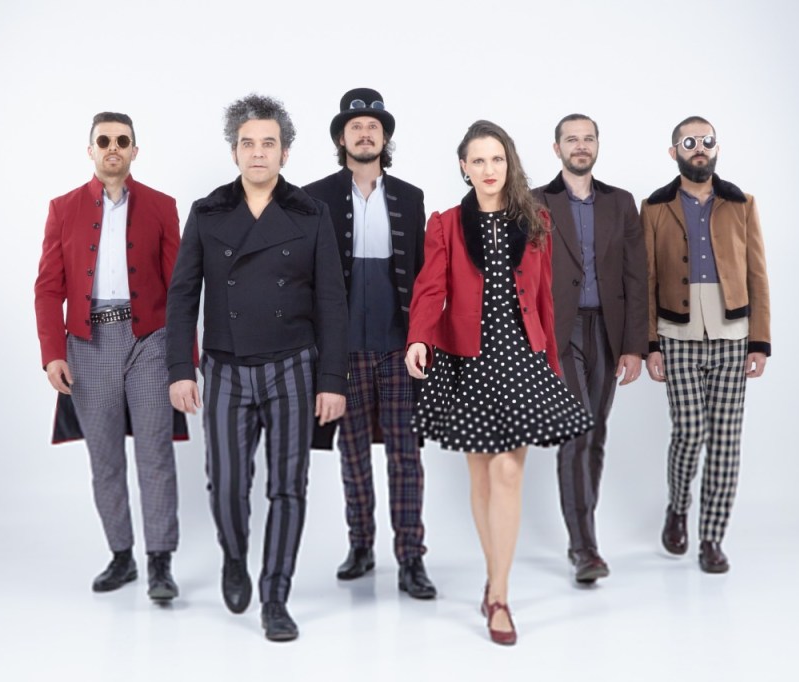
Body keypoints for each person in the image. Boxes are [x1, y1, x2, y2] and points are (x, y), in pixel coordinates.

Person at [165, 94, 348, 641]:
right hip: (224, 366)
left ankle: (275, 596)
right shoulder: (207, 212)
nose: (258, 152)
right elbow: (183, 296)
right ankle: (234, 556)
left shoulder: (310, 214)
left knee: (288, 487)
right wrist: (180, 368)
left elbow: (332, 301)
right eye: (248, 143)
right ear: (234, 152)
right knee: (226, 483)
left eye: (269, 143)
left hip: (293, 366)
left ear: (285, 153)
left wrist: (332, 380)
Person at [405, 120, 592, 645]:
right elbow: (429, 289)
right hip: (468, 360)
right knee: (483, 476)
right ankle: (494, 579)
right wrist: (419, 338)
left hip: (521, 358)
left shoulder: (535, 220)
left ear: (509, 163)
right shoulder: (445, 224)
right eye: (479, 160)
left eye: (497, 159)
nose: (489, 169)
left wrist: (551, 362)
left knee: (509, 471)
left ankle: (500, 595)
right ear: (464, 167)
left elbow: (546, 297)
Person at [34, 112, 181, 601]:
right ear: (91, 150)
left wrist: (184, 361)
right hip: (88, 343)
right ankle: (122, 556)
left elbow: (179, 288)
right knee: (105, 458)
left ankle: (160, 562)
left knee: (155, 453)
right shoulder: (63, 208)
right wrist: (53, 353)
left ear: (135, 150)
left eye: (122, 140)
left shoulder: (162, 206)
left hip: (149, 340)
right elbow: (47, 287)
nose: (113, 147)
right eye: (104, 141)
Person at [303, 88, 435, 599]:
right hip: (342, 350)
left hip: (400, 346)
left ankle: (411, 557)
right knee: (352, 453)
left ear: (384, 137)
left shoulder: (410, 197)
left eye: (373, 127)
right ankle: (361, 546)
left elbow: (423, 279)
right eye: (355, 127)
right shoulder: (313, 197)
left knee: (406, 455)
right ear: (342, 138)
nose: (364, 134)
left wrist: (422, 339)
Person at [641, 116, 771, 573]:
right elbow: (647, 279)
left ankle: (712, 537)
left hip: (733, 336)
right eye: (690, 142)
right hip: (675, 335)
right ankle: (678, 506)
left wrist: (760, 340)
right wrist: (649, 344)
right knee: (690, 431)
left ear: (716, 149)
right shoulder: (654, 207)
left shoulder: (741, 203)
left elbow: (757, 274)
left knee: (726, 441)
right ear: (674, 152)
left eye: (707, 141)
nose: (700, 148)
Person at [533, 114, 647, 584]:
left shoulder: (620, 203)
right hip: (560, 333)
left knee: (595, 433)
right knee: (576, 431)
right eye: (571, 139)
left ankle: (582, 535)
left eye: (588, 138)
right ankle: (585, 547)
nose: (580, 146)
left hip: (607, 331)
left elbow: (637, 276)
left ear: (597, 145)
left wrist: (635, 346)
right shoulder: (536, 202)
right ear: (556, 148)